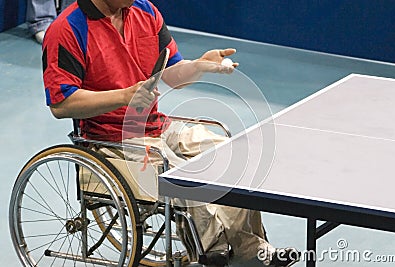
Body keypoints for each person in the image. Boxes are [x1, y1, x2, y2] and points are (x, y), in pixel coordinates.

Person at [42, 0, 299, 266]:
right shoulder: (67, 29)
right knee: (187, 178)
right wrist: (124, 96)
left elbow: (173, 76)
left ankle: (248, 249)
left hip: (157, 127)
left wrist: (199, 65)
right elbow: (62, 104)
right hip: (109, 141)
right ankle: (212, 253)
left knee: (233, 155)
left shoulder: (145, 11)